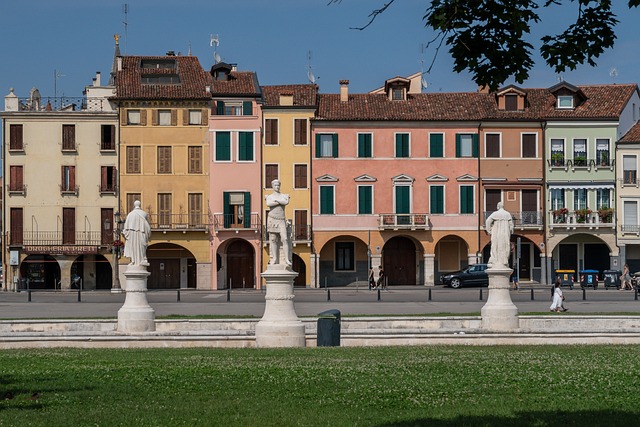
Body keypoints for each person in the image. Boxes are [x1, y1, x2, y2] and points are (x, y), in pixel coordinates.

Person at [265, 179, 292, 267]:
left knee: (284, 239)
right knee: (273, 239)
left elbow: (286, 202)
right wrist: (280, 201)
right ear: (272, 186)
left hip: (281, 219)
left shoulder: (283, 196)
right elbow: (268, 204)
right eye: (275, 185)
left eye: (278, 185)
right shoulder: (270, 196)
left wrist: (276, 201)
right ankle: (275, 259)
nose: (277, 187)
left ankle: (287, 259)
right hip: (272, 218)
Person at [485, 202, 514, 268]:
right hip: (505, 234)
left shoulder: (495, 214)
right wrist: (510, 232)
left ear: (498, 207)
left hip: (496, 233)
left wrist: (489, 230)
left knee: (495, 246)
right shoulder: (507, 214)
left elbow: (487, 222)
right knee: (505, 246)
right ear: (503, 207)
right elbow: (511, 225)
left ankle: (495, 260)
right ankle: (504, 261)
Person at [122, 200, 151, 267]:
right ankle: (141, 260)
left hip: (132, 235)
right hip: (142, 234)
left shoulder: (130, 214)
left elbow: (126, 228)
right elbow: (147, 227)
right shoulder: (144, 214)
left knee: (133, 247)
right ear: (139, 205)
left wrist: (125, 233)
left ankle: (133, 261)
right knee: (142, 247)